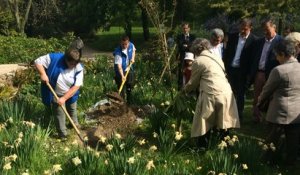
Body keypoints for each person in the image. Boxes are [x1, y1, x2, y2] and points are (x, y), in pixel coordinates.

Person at [182, 38, 240, 148]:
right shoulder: (217, 58)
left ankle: (202, 148)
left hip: (211, 94)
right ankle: (225, 147)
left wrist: (183, 91)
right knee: (224, 122)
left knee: (205, 122)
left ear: (197, 50)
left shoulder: (198, 61)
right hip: (226, 93)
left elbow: (193, 83)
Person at [257, 39, 300, 166]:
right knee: (293, 142)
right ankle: (290, 164)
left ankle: (268, 164)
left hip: (278, 111)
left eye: (277, 55)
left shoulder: (279, 70)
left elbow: (266, 90)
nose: (276, 58)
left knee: (272, 141)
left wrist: (259, 102)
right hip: (297, 112)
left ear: (282, 54)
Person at [35, 38, 84, 139]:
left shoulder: (79, 67)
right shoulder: (55, 58)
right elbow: (38, 61)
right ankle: (63, 134)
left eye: (75, 64)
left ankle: (74, 123)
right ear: (66, 60)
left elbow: (76, 86)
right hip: (55, 92)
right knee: (59, 113)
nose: (73, 66)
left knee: (72, 108)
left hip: (70, 92)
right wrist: (43, 74)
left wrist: (64, 98)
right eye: (71, 64)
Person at [223, 18, 257, 120]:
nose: (242, 31)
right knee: (229, 91)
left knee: (241, 94)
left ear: (250, 28)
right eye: (241, 28)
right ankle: (227, 112)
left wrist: (250, 75)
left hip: (243, 71)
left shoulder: (254, 40)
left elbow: (253, 59)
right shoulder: (233, 37)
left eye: (245, 29)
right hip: (231, 69)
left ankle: (238, 115)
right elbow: (227, 53)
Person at [250, 17, 282, 122]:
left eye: (267, 29)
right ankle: (256, 116)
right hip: (259, 73)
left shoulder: (281, 41)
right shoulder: (259, 42)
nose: (265, 31)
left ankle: (270, 119)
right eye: (263, 29)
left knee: (272, 98)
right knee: (257, 97)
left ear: (274, 27)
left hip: (273, 74)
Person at [113, 36, 136, 103]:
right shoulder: (118, 52)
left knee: (129, 85)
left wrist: (133, 58)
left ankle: (129, 102)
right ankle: (122, 103)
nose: (124, 45)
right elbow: (119, 66)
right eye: (123, 44)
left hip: (128, 68)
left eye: (126, 44)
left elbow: (134, 50)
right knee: (121, 87)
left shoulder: (131, 45)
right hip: (119, 71)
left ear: (128, 43)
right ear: (120, 43)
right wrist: (122, 76)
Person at [176, 22, 196, 90]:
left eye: (186, 28)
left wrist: (186, 45)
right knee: (181, 71)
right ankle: (180, 88)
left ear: (189, 29)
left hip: (191, 57)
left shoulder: (193, 37)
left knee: (191, 71)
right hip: (182, 57)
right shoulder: (179, 37)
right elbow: (180, 46)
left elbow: (193, 46)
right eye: (184, 28)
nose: (185, 30)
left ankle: (190, 88)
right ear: (182, 29)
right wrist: (187, 46)